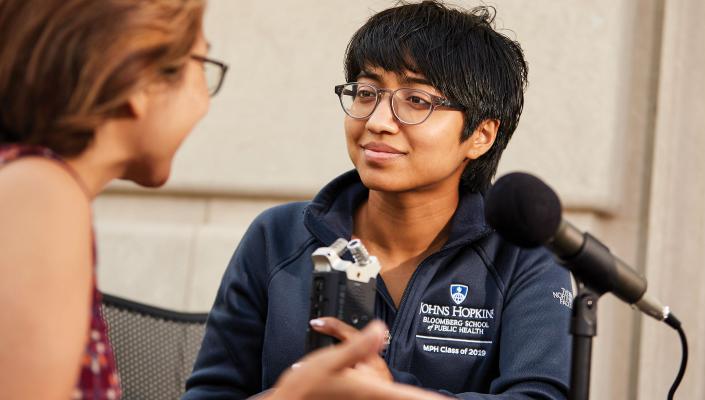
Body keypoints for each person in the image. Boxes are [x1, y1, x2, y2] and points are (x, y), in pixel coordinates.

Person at [1, 1, 439, 399]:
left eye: (416, 100)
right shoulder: (42, 195)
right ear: (137, 78)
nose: (204, 102)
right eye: (201, 64)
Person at [184, 1, 573, 399]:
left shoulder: (524, 257)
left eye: (417, 101)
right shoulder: (278, 236)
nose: (377, 121)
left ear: (481, 136)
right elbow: (211, 393)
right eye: (366, 93)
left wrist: (384, 393)